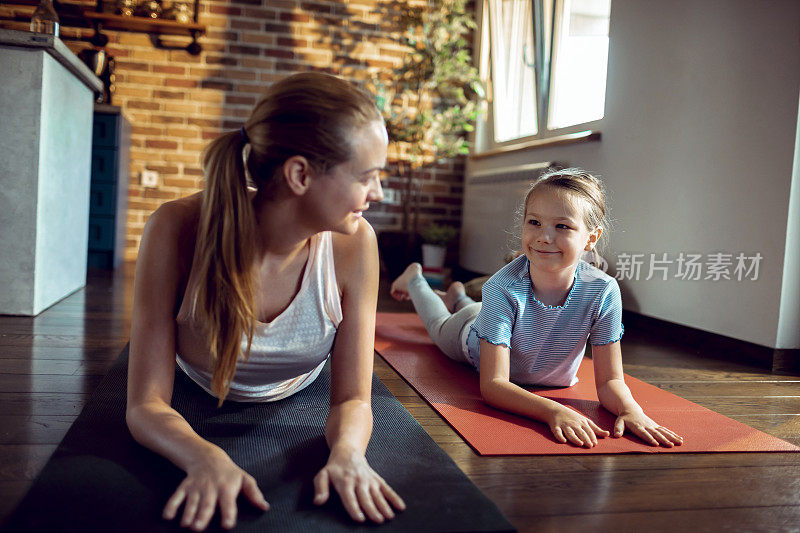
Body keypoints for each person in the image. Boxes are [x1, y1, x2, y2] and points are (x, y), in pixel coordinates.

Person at [126, 72, 405, 532]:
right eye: (366, 177)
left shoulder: (357, 245)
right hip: (198, 389)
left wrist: (348, 454)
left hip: (300, 388)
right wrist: (203, 457)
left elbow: (354, 396)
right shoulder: (174, 229)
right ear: (300, 175)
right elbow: (145, 405)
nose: (377, 193)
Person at [390, 168, 683, 449]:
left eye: (562, 226)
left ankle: (457, 294)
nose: (544, 236)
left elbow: (609, 381)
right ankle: (415, 279)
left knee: (475, 307)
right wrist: (552, 411)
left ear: (591, 238)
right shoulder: (501, 288)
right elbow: (493, 385)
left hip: (494, 316)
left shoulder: (603, 291)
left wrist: (631, 410)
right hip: (470, 334)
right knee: (439, 324)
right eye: (534, 223)